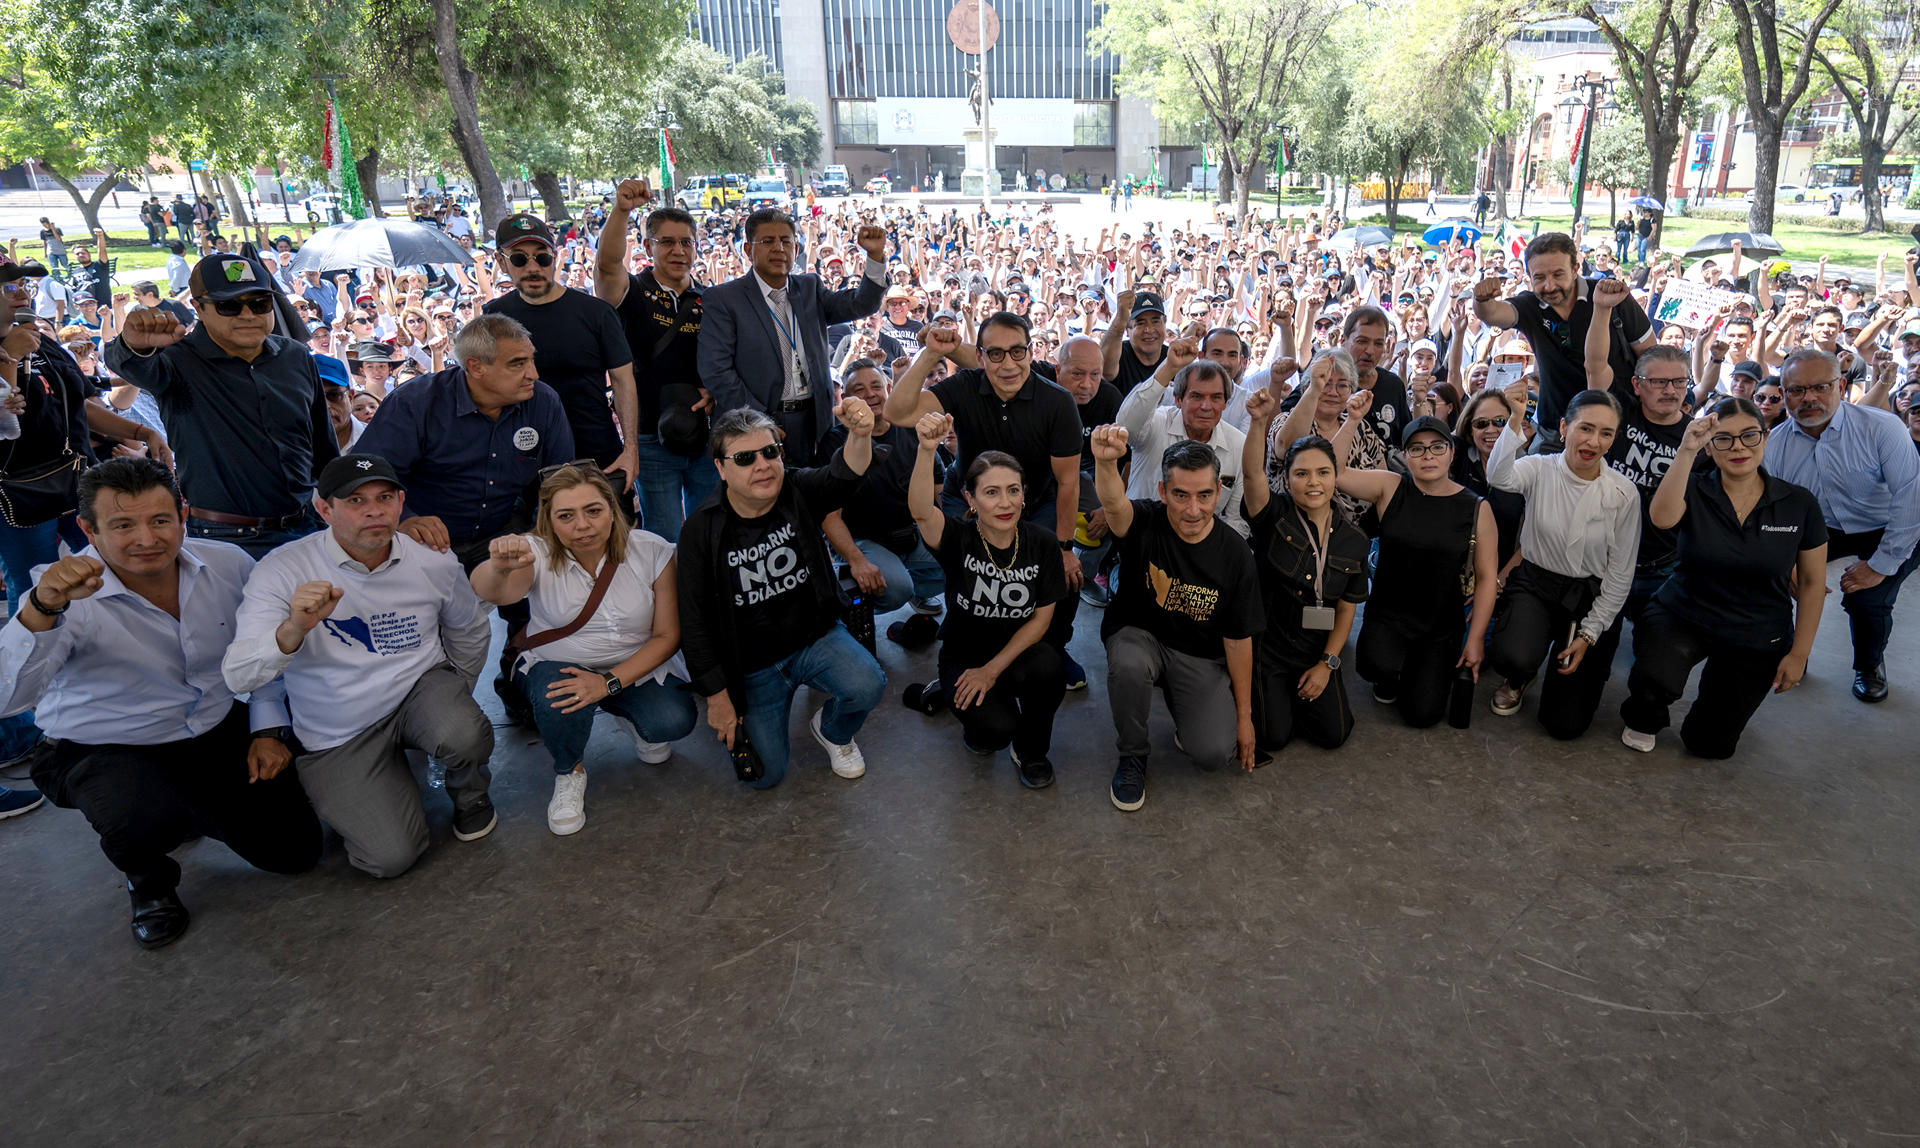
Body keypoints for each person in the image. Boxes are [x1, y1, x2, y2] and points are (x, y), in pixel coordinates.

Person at [0, 459, 320, 947]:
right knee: (135, 811)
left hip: (210, 730)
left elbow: (264, 653)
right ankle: (147, 878)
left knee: (295, 852)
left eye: (160, 520)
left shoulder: (229, 565)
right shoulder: (58, 590)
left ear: (183, 515)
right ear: (88, 528)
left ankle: (190, 808)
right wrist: (41, 611)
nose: (146, 539)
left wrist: (266, 728)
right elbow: (9, 699)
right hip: (102, 746)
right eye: (123, 525)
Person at [222, 454, 498, 878]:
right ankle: (366, 785)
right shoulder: (282, 568)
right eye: (355, 500)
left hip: (417, 690)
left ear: (401, 502)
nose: (374, 510)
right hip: (338, 727)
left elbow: (469, 628)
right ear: (323, 509)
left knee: (462, 731)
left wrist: (457, 690)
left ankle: (471, 795)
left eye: (384, 497)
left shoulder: (433, 561)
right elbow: (239, 675)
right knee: (388, 859)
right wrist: (293, 629)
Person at [471, 463, 697, 835]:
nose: (583, 525)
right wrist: (497, 567)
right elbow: (493, 592)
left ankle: (627, 713)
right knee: (556, 697)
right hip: (560, 664)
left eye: (593, 510)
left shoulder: (652, 550)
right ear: (549, 519)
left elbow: (666, 637)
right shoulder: (535, 551)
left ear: (612, 508)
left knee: (673, 722)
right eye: (566, 515)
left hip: (632, 666)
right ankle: (568, 772)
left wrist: (605, 683)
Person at [676, 402, 886, 789]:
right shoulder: (700, 531)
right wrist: (718, 697)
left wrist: (859, 434)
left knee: (868, 683)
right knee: (764, 777)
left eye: (770, 451)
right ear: (721, 468)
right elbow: (694, 621)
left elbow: (843, 476)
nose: (762, 465)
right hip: (751, 667)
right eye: (744, 458)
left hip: (814, 639)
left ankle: (833, 731)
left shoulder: (796, 489)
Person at [883, 314, 1088, 686]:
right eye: (995, 354)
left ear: (1030, 352)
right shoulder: (963, 386)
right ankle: (965, 647)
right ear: (979, 357)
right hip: (968, 499)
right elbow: (896, 412)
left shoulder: (1057, 400)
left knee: (1062, 575)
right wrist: (929, 355)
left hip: (1034, 502)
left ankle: (1054, 646)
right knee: (969, 574)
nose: (1008, 364)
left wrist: (1064, 546)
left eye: (1016, 352)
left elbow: (1068, 481)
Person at [1620, 399, 1828, 757]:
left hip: (1758, 629)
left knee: (1710, 744)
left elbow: (1811, 583)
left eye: (1749, 436)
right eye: (1724, 439)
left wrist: (1799, 653)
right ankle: (1645, 713)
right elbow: (1662, 518)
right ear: (1710, 446)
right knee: (1654, 679)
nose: (1738, 448)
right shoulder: (1695, 487)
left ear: (1765, 437)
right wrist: (1686, 451)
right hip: (1684, 614)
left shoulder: (1798, 503)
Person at [1281, 390, 1499, 728]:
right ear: (1406, 456)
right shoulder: (1390, 487)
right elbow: (1332, 471)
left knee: (1422, 715)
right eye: (1417, 449)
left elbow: (1487, 577)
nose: (1428, 456)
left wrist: (1474, 639)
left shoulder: (1476, 508)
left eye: (1437, 447)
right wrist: (1353, 420)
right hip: (1389, 615)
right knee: (1373, 666)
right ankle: (1392, 672)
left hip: (1440, 625)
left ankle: (1419, 671)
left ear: (1451, 453)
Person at [104, 253, 338, 557]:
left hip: (310, 525)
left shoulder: (294, 355)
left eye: (259, 304)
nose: (247, 314)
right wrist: (132, 343)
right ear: (199, 308)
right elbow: (127, 364)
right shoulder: (176, 361)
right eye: (229, 305)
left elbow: (323, 444)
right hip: (228, 540)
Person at [1092, 430, 1264, 811]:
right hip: (1142, 637)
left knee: (1214, 754)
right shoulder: (1146, 522)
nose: (1193, 509)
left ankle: (1186, 710)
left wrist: (1244, 717)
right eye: (1180, 495)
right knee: (1130, 663)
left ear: (1219, 492)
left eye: (1204, 495)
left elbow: (1238, 639)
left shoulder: (1236, 555)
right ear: (1162, 491)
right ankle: (1133, 756)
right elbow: (1114, 505)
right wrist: (1105, 462)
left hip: (1199, 656)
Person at [905, 414, 1067, 788]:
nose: (1005, 502)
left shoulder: (1041, 542)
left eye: (1013, 490)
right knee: (992, 733)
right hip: (964, 654)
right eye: (991, 492)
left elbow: (1041, 622)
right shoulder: (958, 537)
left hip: (1017, 652)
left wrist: (992, 671)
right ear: (971, 499)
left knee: (1050, 668)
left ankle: (1031, 751)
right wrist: (926, 450)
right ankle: (954, 696)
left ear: (1024, 495)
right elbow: (919, 511)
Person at [354, 313, 575, 570]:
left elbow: (560, 477)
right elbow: (367, 472)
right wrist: (403, 519)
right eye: (518, 364)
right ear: (476, 366)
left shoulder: (543, 402)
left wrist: (538, 534)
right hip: (424, 545)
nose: (533, 374)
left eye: (531, 360)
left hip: (508, 534)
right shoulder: (415, 402)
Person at [1484, 382, 1640, 737]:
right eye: (1585, 428)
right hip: (1536, 583)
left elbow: (1620, 572)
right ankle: (1521, 674)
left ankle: (1562, 666)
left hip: (1587, 597)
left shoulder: (1622, 492)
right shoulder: (1540, 468)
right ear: (1565, 427)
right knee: (1512, 655)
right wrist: (1515, 419)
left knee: (1563, 725)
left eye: (1605, 433)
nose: (1593, 442)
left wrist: (1590, 631)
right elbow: (1499, 475)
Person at [1766, 348, 1920, 703]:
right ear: (1783, 394)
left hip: (1888, 525)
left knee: (1868, 599)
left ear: (1841, 385)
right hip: (1819, 527)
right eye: (1796, 390)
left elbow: (1910, 501)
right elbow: (1774, 511)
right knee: (1772, 580)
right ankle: (1790, 655)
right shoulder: (1776, 444)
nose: (1809, 398)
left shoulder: (1882, 428)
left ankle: (1868, 666)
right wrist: (1782, 559)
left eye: (1820, 387)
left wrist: (1879, 566)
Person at [695, 208, 887, 466]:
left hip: (815, 421)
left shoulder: (809, 288)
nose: (778, 248)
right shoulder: (724, 299)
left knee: (814, 499)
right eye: (767, 241)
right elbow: (716, 370)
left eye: (786, 241)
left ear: (796, 248)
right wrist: (759, 421)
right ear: (748, 251)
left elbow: (861, 304)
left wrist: (874, 256)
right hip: (755, 423)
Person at [1241, 395, 1368, 756]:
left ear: (1335, 476)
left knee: (1334, 734)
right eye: (1301, 473)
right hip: (1270, 651)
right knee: (1274, 738)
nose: (1313, 482)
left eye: (1323, 472)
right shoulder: (1272, 516)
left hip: (1316, 650)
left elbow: (1346, 609)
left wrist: (1327, 665)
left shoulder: (1353, 540)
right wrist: (1257, 423)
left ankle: (1300, 693)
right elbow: (1252, 474)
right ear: (1287, 477)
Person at [593, 182, 715, 542]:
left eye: (686, 242)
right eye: (667, 242)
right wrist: (621, 211)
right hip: (649, 437)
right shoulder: (630, 291)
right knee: (663, 540)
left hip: (704, 435)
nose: (678, 250)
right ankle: (667, 600)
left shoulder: (712, 300)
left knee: (707, 534)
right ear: (648, 246)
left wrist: (715, 393)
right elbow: (606, 263)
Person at [482, 213, 641, 489]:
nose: (533, 267)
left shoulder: (596, 313)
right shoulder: (494, 317)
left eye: (542, 257)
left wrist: (631, 450)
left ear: (554, 257)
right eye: (519, 258)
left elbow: (623, 380)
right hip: (523, 456)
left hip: (596, 453)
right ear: (501, 262)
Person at [1473, 232, 1656, 451]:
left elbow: (1651, 360)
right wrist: (1481, 300)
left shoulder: (1612, 296)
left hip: (1617, 430)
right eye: (1539, 278)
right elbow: (1493, 314)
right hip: (1555, 433)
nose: (1549, 286)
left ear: (1576, 268)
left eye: (1558, 274)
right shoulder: (1530, 306)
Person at [820, 358, 945, 632]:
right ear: (846, 398)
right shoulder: (834, 441)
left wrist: (958, 539)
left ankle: (917, 589)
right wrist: (857, 561)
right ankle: (849, 608)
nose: (870, 395)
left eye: (876, 386)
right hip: (863, 540)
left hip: (910, 534)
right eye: (859, 390)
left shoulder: (911, 428)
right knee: (896, 587)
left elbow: (938, 490)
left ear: (889, 387)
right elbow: (828, 516)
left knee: (958, 561)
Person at [1117, 344, 1248, 537]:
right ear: (1178, 399)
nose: (1206, 406)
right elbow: (1125, 425)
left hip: (1201, 551)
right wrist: (1169, 366)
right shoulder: (1157, 424)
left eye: (1216, 398)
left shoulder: (1238, 444)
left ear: (1226, 403)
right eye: (1196, 396)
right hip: (1142, 540)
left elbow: (1236, 520)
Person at [1101, 289, 1169, 394]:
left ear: (1164, 323)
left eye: (1155, 321)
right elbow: (1106, 370)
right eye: (1140, 323)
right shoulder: (1119, 354)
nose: (1149, 329)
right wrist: (1120, 321)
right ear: (1127, 329)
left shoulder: (1171, 357)